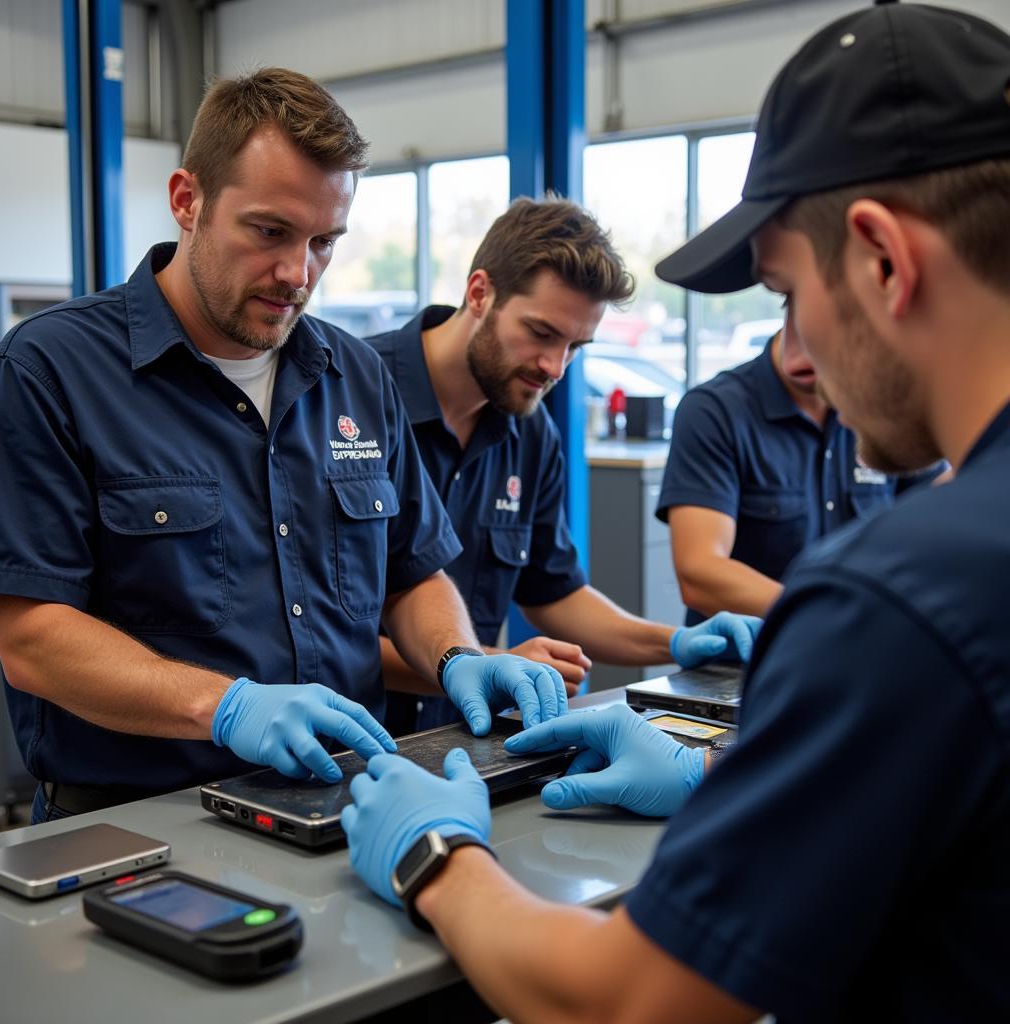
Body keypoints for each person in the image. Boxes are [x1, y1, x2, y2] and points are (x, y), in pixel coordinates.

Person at [339, 5, 1010, 1021]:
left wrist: (435, 854)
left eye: (787, 289)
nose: (800, 355)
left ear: (880, 258)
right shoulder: (350, 399)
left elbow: (628, 1005)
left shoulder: (904, 594)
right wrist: (714, 769)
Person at [0, 69, 568, 826]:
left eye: (324, 242)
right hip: (138, 820)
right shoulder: (46, 373)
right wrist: (224, 707)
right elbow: (31, 637)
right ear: (187, 200)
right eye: (270, 232)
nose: (298, 274)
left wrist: (459, 657)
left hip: (350, 806)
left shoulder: (355, 375)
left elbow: (413, 574)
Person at [365, 196, 762, 734]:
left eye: (576, 346)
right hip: (345, 743)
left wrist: (673, 642)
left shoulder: (530, 432)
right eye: (542, 333)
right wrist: (479, 666)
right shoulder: (354, 398)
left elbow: (554, 595)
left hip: (457, 738)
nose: (555, 367)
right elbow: (320, 629)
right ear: (480, 292)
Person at [659, 313, 943, 622]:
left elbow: (939, 522)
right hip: (749, 662)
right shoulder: (715, 411)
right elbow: (700, 574)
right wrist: (826, 615)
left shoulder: (879, 407)